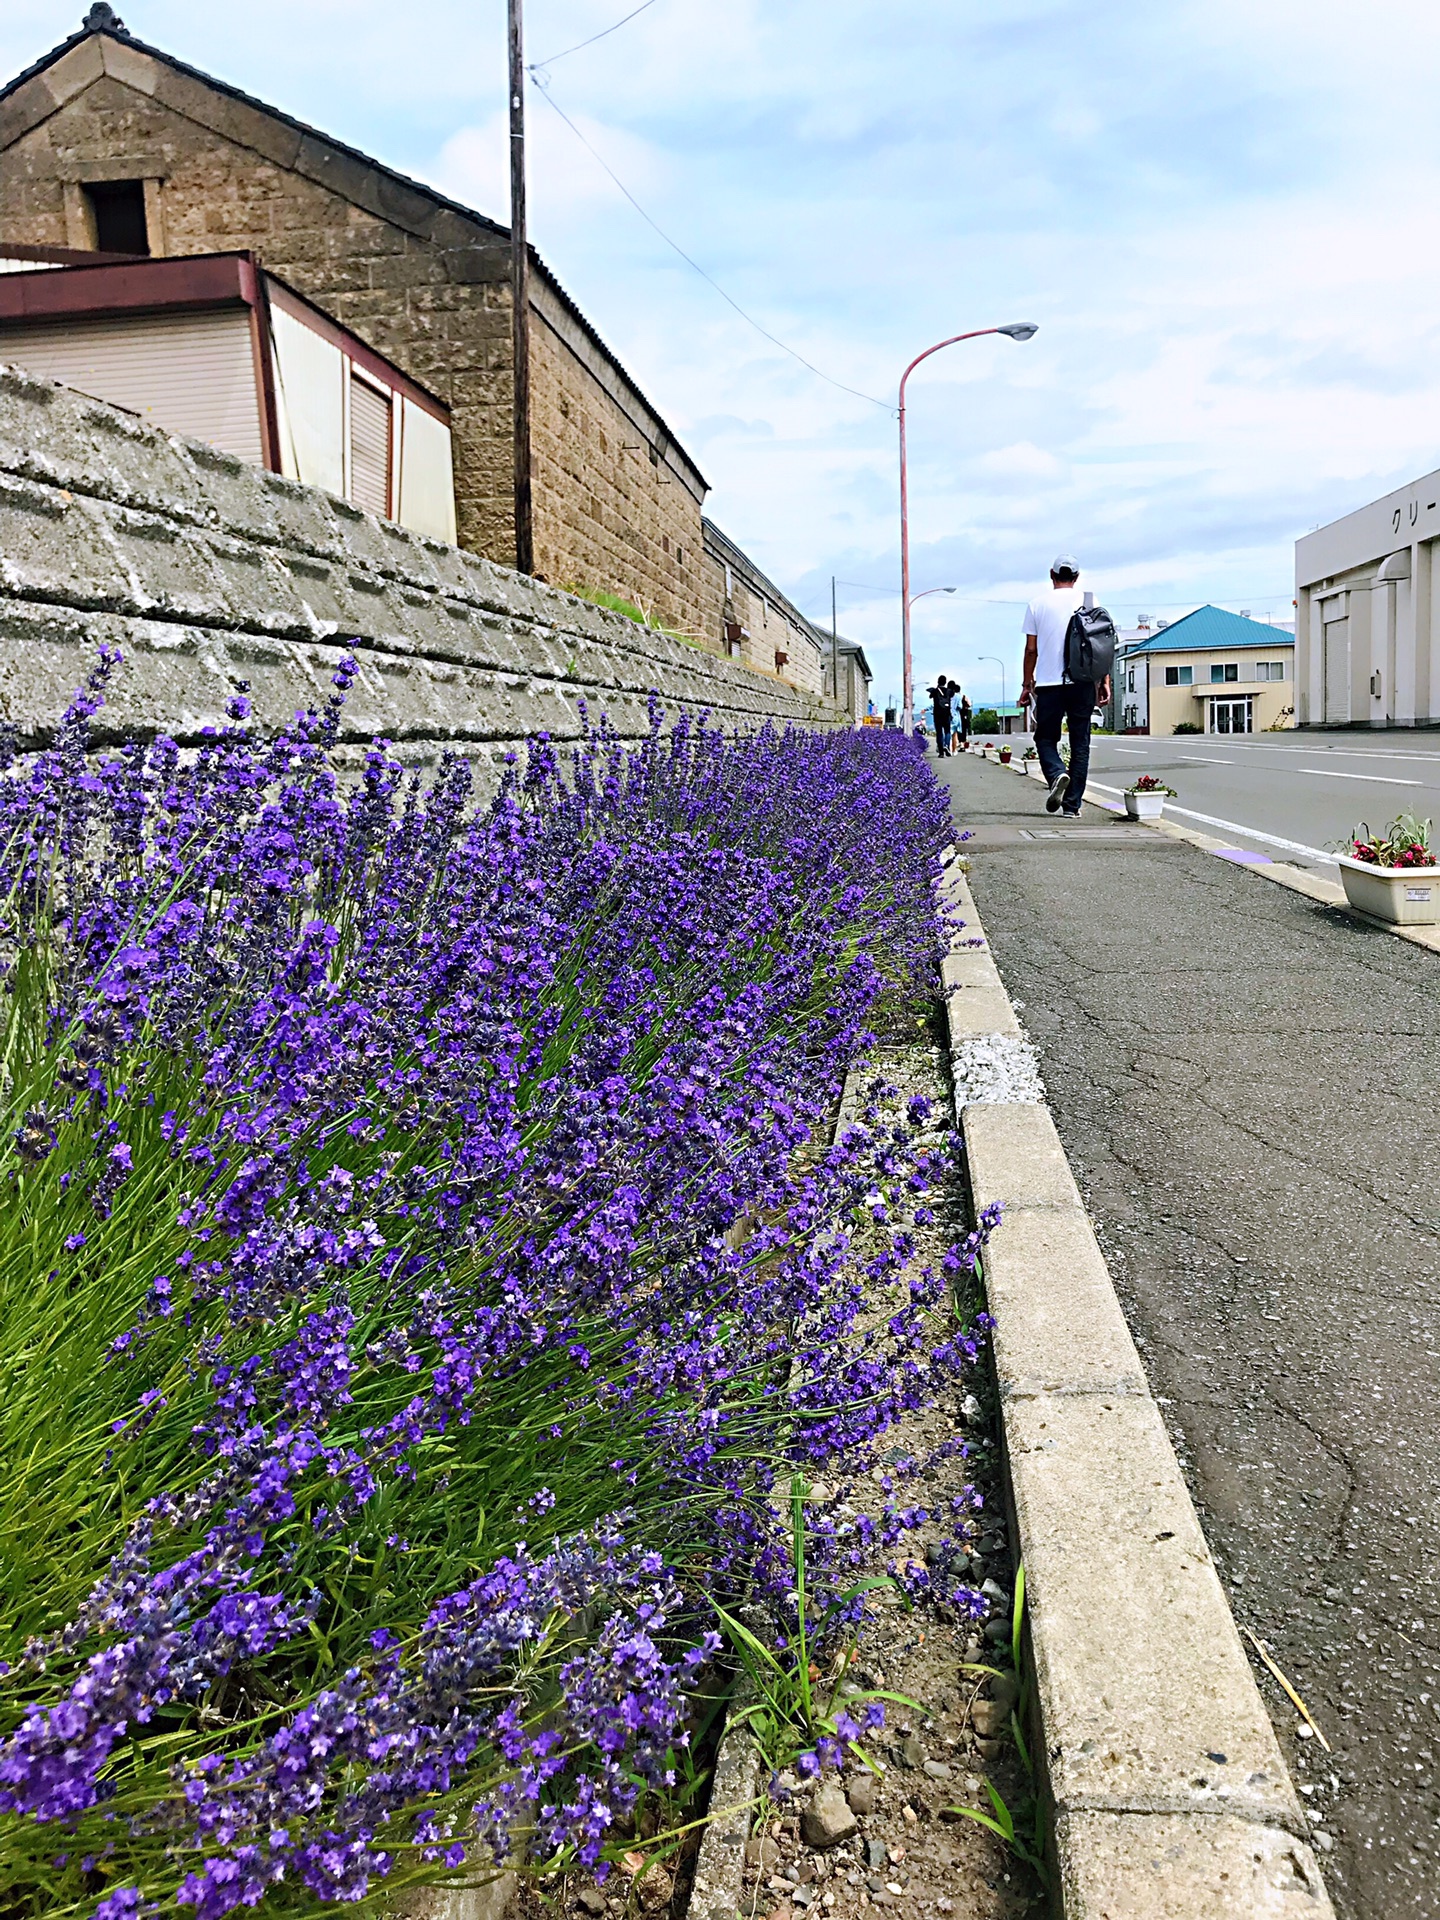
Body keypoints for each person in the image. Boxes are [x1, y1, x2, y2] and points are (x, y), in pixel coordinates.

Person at [1019, 555, 1111, 815]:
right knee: (1080, 742)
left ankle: (1057, 773)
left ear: (1052, 574)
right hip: (1082, 682)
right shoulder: (1090, 602)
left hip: (1049, 684)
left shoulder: (1036, 605)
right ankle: (1072, 806)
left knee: (1046, 738)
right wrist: (1103, 680)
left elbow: (1031, 650)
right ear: (1077, 577)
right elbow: (1100, 647)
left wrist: (1027, 684)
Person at [928, 678, 954, 756]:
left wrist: (936, 688)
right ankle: (946, 746)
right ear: (945, 682)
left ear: (938, 682)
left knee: (939, 733)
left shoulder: (935, 691)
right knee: (947, 731)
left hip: (937, 714)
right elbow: (952, 694)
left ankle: (941, 752)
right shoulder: (949, 691)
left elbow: (930, 696)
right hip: (947, 713)